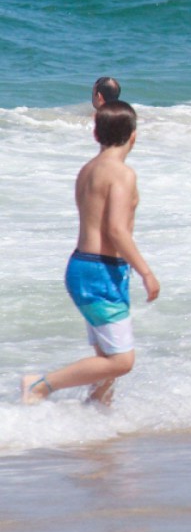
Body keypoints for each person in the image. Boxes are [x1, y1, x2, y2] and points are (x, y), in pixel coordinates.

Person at [21, 101, 161, 406]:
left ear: (96, 134)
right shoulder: (121, 173)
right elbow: (116, 230)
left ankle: (97, 417)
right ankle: (40, 385)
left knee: (106, 356)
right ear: (133, 136)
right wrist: (146, 272)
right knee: (122, 361)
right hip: (101, 271)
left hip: (81, 266)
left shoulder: (87, 170)